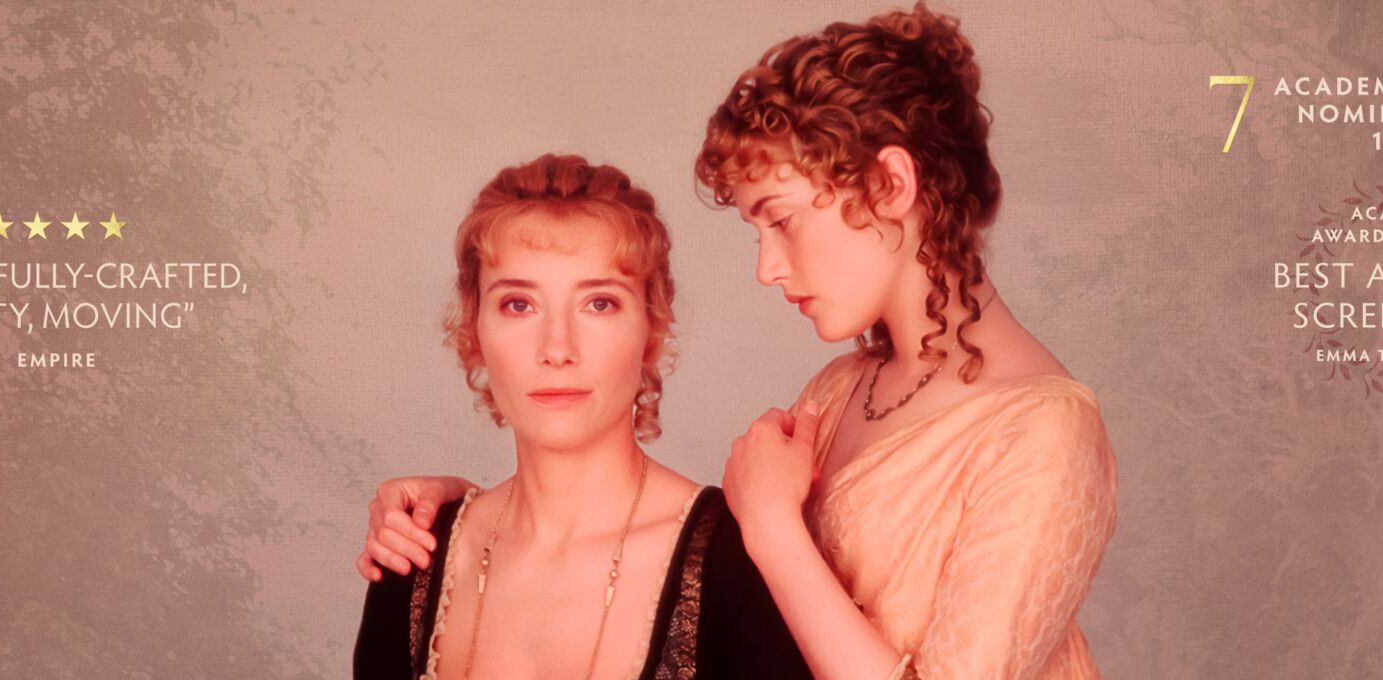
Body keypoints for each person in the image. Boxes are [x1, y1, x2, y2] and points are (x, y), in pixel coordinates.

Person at [360, 6, 1118, 679]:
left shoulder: (1046, 430)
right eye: (518, 306)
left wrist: (772, 529)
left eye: (781, 220)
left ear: (890, 185)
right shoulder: (843, 388)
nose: (766, 268)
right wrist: (461, 510)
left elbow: (747, 563)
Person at [353, 154, 810, 680]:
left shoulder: (739, 561)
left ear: (652, 328)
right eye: (519, 304)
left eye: (599, 304)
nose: (557, 349)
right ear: (474, 332)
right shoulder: (413, 551)